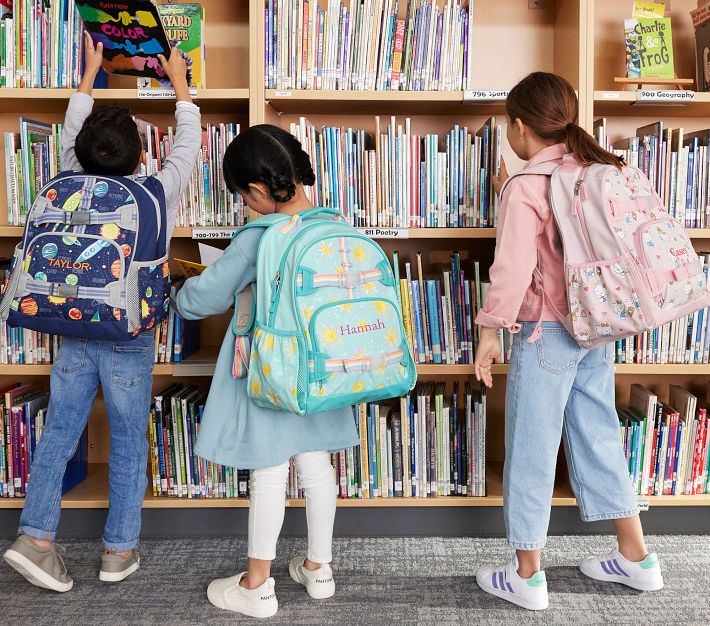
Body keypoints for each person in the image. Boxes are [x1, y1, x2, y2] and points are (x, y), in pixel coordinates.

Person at [3, 33, 202, 590]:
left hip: (66, 326)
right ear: (142, 157)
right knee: (127, 437)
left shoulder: (66, 179)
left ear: (84, 153)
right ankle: (118, 552)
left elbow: (71, 134)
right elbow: (188, 145)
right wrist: (181, 82)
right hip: (127, 335)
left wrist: (90, 72)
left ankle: (36, 537)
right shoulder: (155, 192)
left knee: (60, 431)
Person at [473, 72, 664, 611]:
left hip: (545, 333)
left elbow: (511, 273)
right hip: (597, 327)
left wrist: (490, 332)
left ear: (517, 126)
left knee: (531, 447)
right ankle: (636, 556)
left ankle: (527, 575)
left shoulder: (526, 188)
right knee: (599, 432)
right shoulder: (594, 171)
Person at [173, 124, 359, 619]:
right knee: (318, 468)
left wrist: (179, 294)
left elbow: (206, 297)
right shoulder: (334, 223)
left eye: (241, 194)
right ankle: (318, 569)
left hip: (272, 370)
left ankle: (257, 585)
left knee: (270, 471)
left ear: (256, 191)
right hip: (325, 367)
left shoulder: (258, 236)